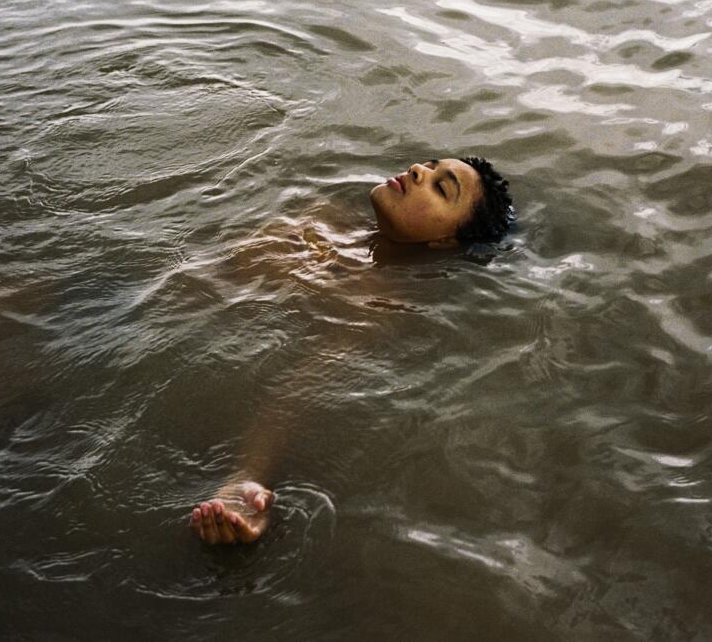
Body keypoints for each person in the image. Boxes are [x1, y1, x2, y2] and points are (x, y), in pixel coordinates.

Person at [189, 156, 514, 545]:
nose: (417, 171)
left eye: (441, 187)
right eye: (429, 164)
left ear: (446, 241)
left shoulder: (378, 306)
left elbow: (298, 387)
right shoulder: (324, 218)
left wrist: (246, 476)